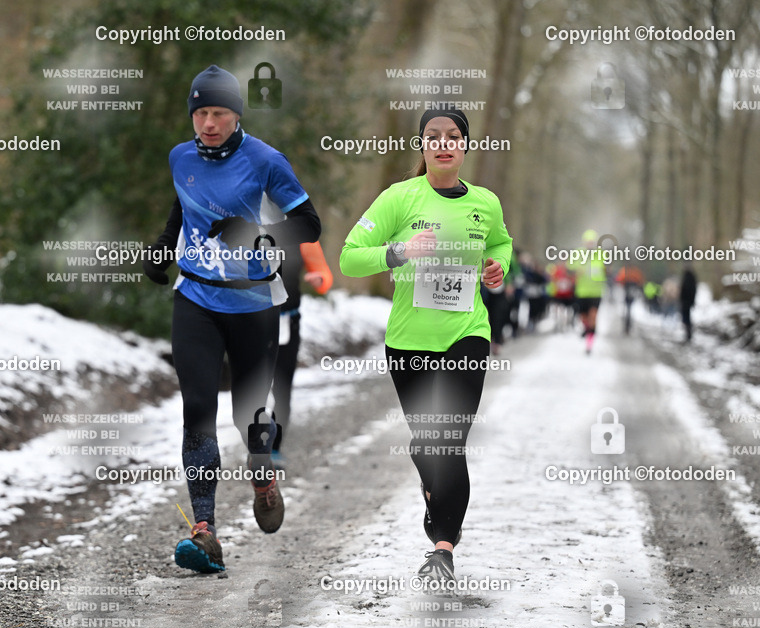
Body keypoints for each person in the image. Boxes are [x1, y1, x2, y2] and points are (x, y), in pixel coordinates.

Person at [141, 65, 321, 573]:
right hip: (196, 297)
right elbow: (184, 208)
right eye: (200, 112)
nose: (208, 123)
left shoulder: (266, 160)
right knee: (197, 407)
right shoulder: (180, 157)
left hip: (254, 303)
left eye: (218, 112)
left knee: (249, 413)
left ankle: (261, 472)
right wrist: (162, 248)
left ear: (236, 114)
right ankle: (205, 531)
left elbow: (309, 223)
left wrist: (259, 234)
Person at [340, 109, 512, 583]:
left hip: (467, 334)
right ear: (421, 146)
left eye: (453, 136)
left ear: (465, 146)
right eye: (433, 137)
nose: (444, 143)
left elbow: (501, 244)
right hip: (410, 342)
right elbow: (350, 259)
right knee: (428, 443)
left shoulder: (485, 203)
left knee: (449, 438)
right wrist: (399, 251)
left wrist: (497, 268)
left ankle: (442, 549)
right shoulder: (398, 199)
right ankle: (433, 486)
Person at [270, 239, 333, 468]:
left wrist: (320, 280)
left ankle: (273, 448)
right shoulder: (245, 223)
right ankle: (255, 444)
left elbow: (324, 274)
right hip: (249, 321)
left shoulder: (302, 234)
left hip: (287, 321)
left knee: (282, 387)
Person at [569, 229, 606, 354]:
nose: (590, 244)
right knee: (583, 317)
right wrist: (576, 270)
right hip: (582, 292)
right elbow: (569, 267)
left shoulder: (601, 254)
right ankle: (587, 329)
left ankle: (589, 345)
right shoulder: (578, 253)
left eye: (592, 242)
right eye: (588, 242)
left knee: (593, 316)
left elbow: (607, 269)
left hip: (596, 292)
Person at [679, 263, 697, 342]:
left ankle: (688, 334)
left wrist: (690, 300)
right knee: (686, 318)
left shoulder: (689, 277)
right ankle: (688, 334)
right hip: (686, 301)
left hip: (687, 301)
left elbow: (690, 290)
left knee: (686, 318)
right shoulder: (688, 276)